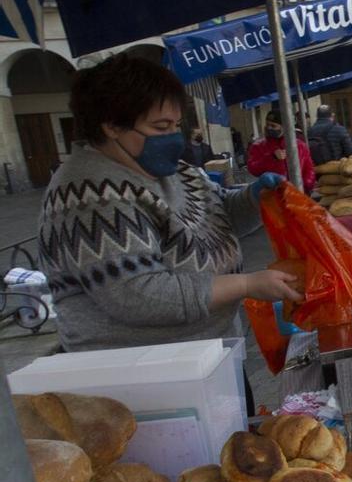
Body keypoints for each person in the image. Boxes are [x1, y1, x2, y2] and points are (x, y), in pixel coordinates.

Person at [37, 53, 300, 369]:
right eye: (160, 126)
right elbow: (141, 296)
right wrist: (246, 284)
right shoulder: (87, 195)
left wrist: (256, 198)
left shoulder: (173, 170)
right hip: (144, 377)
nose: (174, 137)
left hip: (210, 357)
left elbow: (218, 217)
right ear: (111, 125)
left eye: (176, 125)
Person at [247, 111, 317, 194]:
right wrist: (271, 158)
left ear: (284, 127)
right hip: (272, 196)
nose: (269, 128)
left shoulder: (299, 145)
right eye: (267, 125)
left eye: (273, 126)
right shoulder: (258, 146)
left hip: (298, 193)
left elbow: (309, 168)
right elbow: (253, 168)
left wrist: (306, 185)